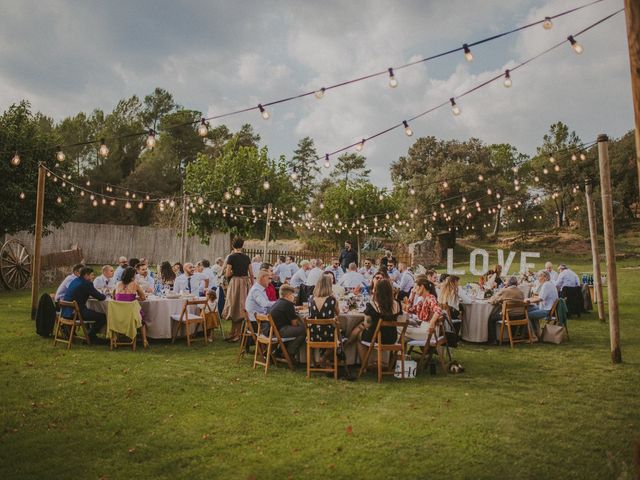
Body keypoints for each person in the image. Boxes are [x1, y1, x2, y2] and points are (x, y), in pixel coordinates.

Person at [352, 279, 403, 362]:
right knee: (361, 330)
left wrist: (362, 325)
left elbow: (367, 323)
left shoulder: (373, 304)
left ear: (377, 291)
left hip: (376, 337)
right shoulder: (397, 304)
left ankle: (365, 365)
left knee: (359, 337)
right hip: (392, 337)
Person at [61, 266, 106, 342]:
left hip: (65, 312)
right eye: (92, 275)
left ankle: (90, 334)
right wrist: (105, 294)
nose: (93, 277)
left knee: (91, 312)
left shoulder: (75, 281)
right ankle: (91, 336)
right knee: (102, 317)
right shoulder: (87, 284)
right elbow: (101, 297)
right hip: (76, 313)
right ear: (86, 275)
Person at [222, 237, 254, 340]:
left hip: (235, 282)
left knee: (234, 305)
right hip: (245, 282)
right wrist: (252, 286)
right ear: (242, 246)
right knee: (240, 307)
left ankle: (236, 334)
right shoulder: (247, 257)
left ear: (233, 246)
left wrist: (231, 273)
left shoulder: (231, 257)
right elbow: (251, 274)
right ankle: (235, 333)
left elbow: (227, 274)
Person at [267, 284, 306, 360]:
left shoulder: (277, 302)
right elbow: (294, 324)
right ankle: (289, 353)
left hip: (271, 330)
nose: (294, 297)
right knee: (304, 330)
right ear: (288, 295)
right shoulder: (288, 304)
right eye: (293, 295)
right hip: (279, 331)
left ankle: (280, 350)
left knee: (298, 330)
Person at [114, 266, 147, 347]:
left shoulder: (118, 284)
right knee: (142, 321)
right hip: (131, 316)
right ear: (132, 276)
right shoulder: (135, 284)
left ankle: (115, 339)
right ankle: (145, 340)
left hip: (118, 316)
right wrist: (134, 298)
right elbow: (143, 297)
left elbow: (115, 298)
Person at [487, 276, 525, 344]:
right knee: (511, 315)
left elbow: (493, 301)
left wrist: (497, 294)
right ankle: (513, 336)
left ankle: (493, 340)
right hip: (521, 315)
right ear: (516, 284)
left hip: (509, 315)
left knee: (491, 318)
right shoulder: (521, 292)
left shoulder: (505, 291)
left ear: (507, 284)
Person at [404, 277, 443, 341]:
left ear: (421, 287)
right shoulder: (422, 301)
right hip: (423, 328)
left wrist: (432, 323)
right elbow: (409, 310)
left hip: (429, 332)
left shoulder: (430, 298)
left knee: (401, 329)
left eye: (415, 287)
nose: (414, 290)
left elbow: (438, 310)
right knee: (401, 335)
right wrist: (412, 295)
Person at [307, 274, 340, 342]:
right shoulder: (332, 300)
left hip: (313, 335)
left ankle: (321, 352)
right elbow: (338, 313)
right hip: (329, 335)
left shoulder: (310, 299)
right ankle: (330, 351)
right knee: (340, 330)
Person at [526, 270, 559, 336]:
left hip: (546, 310)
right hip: (546, 307)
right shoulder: (549, 284)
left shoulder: (546, 285)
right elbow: (540, 297)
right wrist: (529, 299)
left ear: (545, 277)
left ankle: (533, 335)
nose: (538, 278)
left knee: (527, 314)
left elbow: (540, 299)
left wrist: (529, 301)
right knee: (528, 309)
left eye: (540, 276)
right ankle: (538, 332)